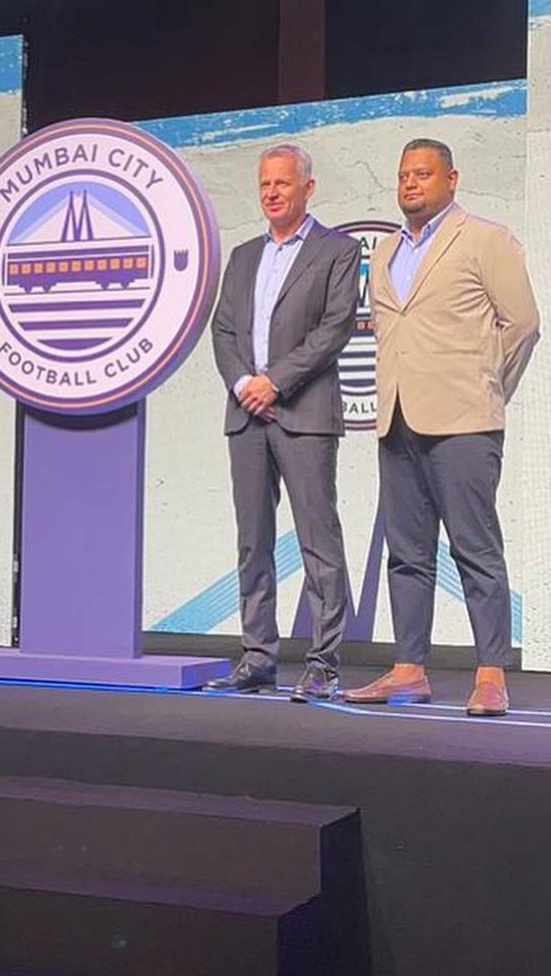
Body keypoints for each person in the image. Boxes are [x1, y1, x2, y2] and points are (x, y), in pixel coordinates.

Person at [345, 139, 540, 716]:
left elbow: (523, 324)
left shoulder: (483, 238)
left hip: (464, 421)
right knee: (407, 553)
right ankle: (409, 669)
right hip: (397, 418)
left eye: (423, 174)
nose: (410, 183)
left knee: (475, 547)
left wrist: (485, 387)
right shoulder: (383, 252)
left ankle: (490, 674)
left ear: (451, 179)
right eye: (404, 174)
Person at [206, 143, 360, 701]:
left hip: (305, 414)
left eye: (283, 184)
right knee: (253, 541)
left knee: (318, 540)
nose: (271, 193)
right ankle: (258, 656)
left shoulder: (336, 251)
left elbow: (335, 327)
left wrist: (277, 381)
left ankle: (323, 661)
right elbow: (223, 331)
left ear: (308, 189)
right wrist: (245, 384)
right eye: (265, 184)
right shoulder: (245, 255)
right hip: (246, 417)